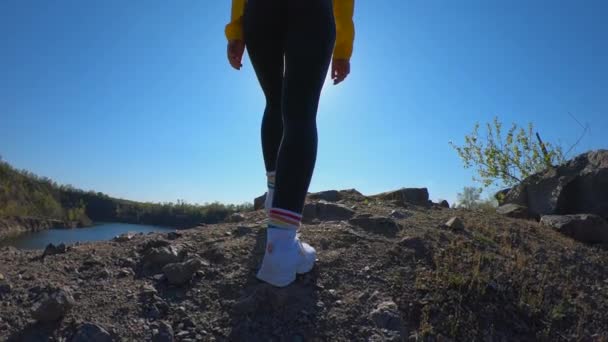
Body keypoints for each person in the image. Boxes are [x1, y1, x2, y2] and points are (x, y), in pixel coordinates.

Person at [225, 0, 355, 287]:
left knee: (275, 101)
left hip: (259, 10)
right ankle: (281, 249)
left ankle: (274, 201)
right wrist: (342, 46)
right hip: (310, 10)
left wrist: (237, 29)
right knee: (300, 111)